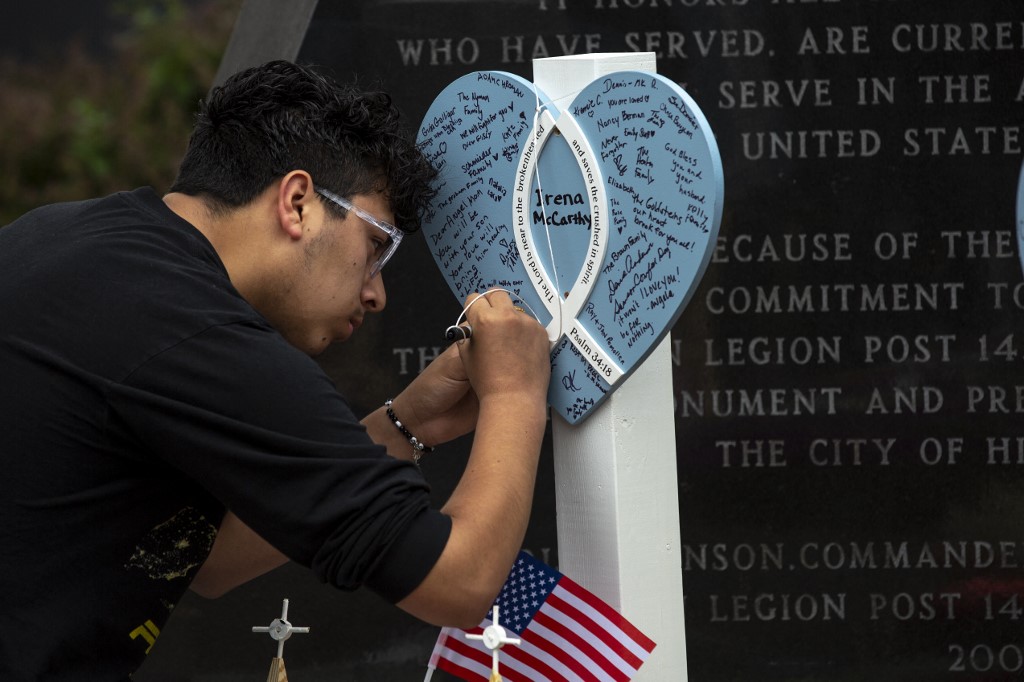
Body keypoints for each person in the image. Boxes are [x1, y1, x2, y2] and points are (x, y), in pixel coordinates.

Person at [0, 60, 551, 681]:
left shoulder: (69, 242)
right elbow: (457, 582)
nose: (377, 295)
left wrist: (405, 423)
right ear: (297, 203)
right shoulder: (193, 327)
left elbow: (206, 560)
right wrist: (514, 391)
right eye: (377, 247)